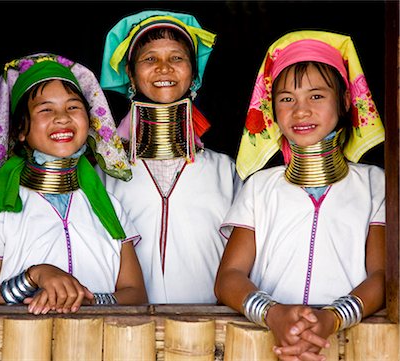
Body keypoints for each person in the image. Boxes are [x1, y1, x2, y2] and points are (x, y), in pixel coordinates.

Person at [214, 30, 385, 361]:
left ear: (346, 101)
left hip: (352, 348)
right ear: (271, 108)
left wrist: (331, 319)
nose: (301, 110)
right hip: (265, 344)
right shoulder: (259, 188)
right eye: (286, 98)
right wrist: (274, 315)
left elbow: (383, 276)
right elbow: (228, 278)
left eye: (317, 96)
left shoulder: (375, 185)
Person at [0, 53, 148, 314]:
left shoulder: (110, 207)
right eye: (46, 109)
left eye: (73, 107)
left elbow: (137, 294)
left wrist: (85, 300)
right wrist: (34, 277)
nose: (62, 117)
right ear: (20, 130)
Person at [98, 10, 241, 304]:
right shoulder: (105, 172)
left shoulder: (225, 172)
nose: (164, 68)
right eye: (150, 59)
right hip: (121, 331)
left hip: (211, 331)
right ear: (130, 73)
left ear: (194, 73)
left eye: (176, 58)